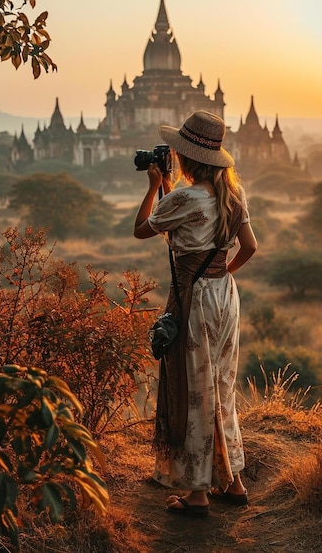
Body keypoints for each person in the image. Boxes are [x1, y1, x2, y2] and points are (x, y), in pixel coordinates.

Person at [134, 110, 257, 517]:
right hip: (226, 296)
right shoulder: (231, 194)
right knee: (220, 385)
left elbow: (142, 229)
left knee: (193, 388)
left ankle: (197, 492)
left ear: (187, 157)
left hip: (195, 301)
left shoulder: (184, 198)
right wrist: (221, 275)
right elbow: (250, 247)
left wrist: (154, 187)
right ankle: (233, 481)